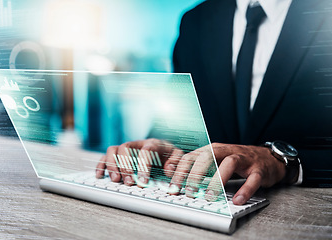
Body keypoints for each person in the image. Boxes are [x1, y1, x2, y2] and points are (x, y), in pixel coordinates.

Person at [96, 0, 332, 205]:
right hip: (204, 208)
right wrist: (159, 150)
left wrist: (285, 165)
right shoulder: (195, 21)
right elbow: (174, 125)